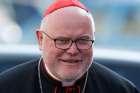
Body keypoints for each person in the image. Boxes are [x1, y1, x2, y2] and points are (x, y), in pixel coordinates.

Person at [0, 0, 139, 93]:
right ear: (40, 40)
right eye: (62, 40)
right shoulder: (6, 87)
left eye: (83, 40)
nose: (73, 50)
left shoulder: (121, 89)